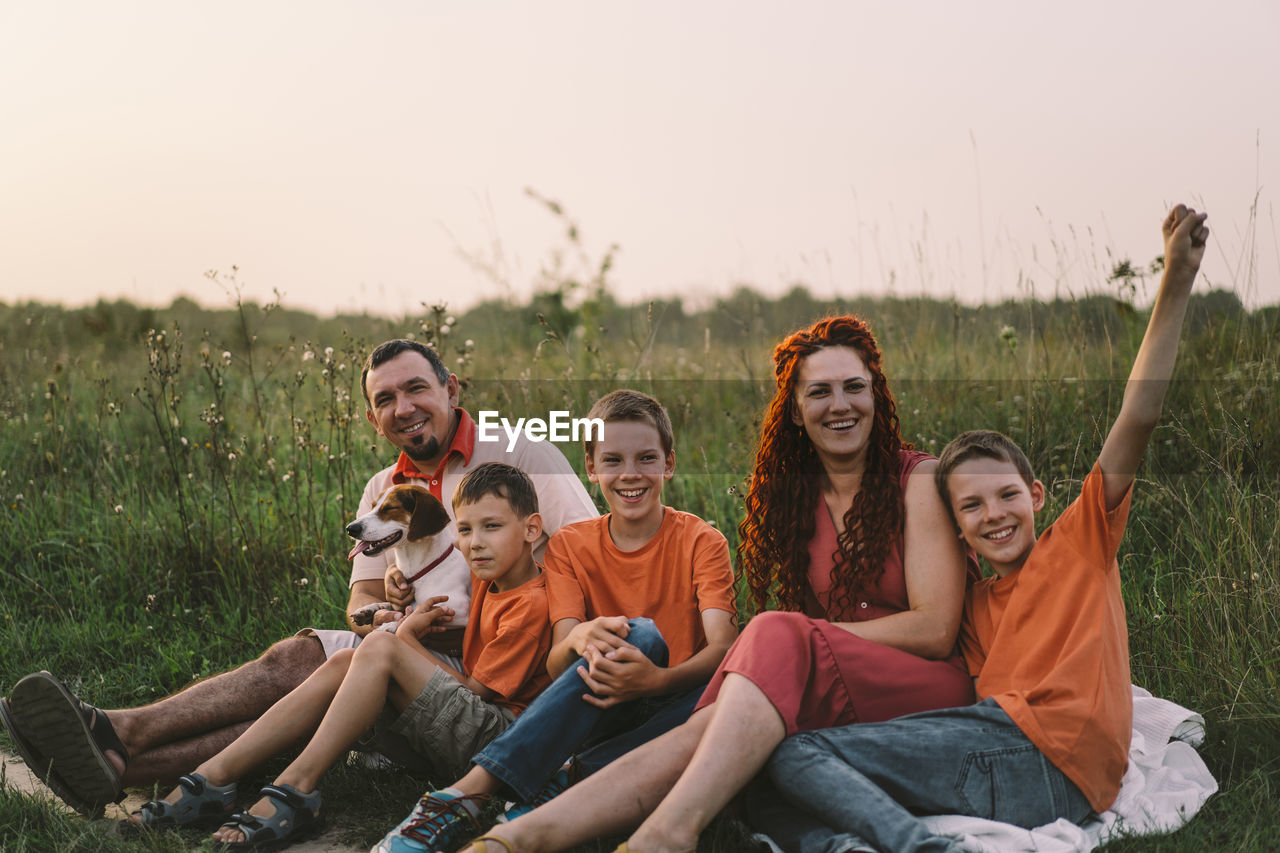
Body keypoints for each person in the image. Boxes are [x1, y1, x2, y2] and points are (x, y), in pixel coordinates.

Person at [755, 204, 1210, 853]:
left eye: (1005, 496)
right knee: (766, 774)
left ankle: (916, 845)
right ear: (956, 529)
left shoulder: (1081, 543)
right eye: (970, 507)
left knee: (795, 756)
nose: (992, 513)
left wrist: (1176, 279)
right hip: (995, 761)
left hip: (1048, 754)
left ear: (1037, 494)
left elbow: (1139, 414)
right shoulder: (972, 607)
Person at [443, 314, 977, 853]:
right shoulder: (795, 502)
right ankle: (523, 837)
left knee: (766, 640)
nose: (840, 404)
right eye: (820, 391)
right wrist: (800, 642)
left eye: (854, 387)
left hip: (926, 680)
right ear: (795, 408)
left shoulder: (918, 480)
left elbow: (935, 630)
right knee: (728, 715)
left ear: (876, 394)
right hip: (836, 681)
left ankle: (642, 828)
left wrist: (804, 639)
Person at [0, 339, 597, 816]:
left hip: (495, 661)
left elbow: (582, 557)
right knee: (296, 659)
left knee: (320, 673)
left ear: (451, 389)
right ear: (372, 417)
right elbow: (360, 599)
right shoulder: (382, 492)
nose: (405, 407)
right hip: (408, 643)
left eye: (417, 388)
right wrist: (384, 614)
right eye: (386, 399)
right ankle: (120, 758)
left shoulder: (519, 452)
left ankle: (117, 738)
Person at [372, 389, 739, 853]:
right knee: (631, 633)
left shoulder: (702, 540)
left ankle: (552, 781)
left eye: (646, 458)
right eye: (612, 460)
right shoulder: (570, 545)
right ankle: (466, 796)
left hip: (673, 702)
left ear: (668, 463)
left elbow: (723, 648)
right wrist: (582, 634)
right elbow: (558, 657)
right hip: (602, 699)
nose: (630, 474)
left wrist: (655, 681)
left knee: (689, 668)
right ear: (590, 467)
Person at [118, 463, 553, 849]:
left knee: (383, 644)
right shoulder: (488, 580)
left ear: (532, 530)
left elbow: (478, 692)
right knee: (348, 660)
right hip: (465, 725)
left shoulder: (529, 603)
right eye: (465, 530)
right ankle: (214, 776)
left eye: (491, 528)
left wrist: (406, 639)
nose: (474, 544)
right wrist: (400, 596)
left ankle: (296, 783)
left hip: (499, 741)